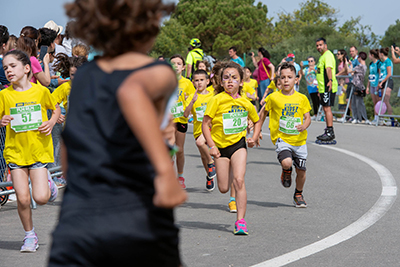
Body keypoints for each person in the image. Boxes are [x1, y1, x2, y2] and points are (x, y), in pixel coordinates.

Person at [48, 1, 187, 266]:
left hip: (78, 220)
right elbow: (130, 92)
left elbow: (69, 151)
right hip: (136, 214)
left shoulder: (84, 77)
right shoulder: (159, 71)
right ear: (150, 25)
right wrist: (165, 173)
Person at [0, 49, 60, 252]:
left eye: (13, 66)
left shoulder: (41, 91)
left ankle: (49, 185)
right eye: (5, 67)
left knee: (41, 198)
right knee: (23, 198)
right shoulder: (4, 95)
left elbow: (56, 108)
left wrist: (51, 122)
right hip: (15, 154)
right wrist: (2, 121)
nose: (8, 70)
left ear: (27, 68)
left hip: (38, 153)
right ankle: (29, 236)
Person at [202, 61, 260, 235]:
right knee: (223, 188)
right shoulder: (216, 100)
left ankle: (240, 221)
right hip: (220, 148)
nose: (230, 81)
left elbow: (256, 121)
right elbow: (206, 124)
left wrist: (254, 138)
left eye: (234, 78)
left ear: (241, 82)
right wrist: (211, 146)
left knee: (239, 180)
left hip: (239, 145)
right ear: (220, 82)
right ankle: (224, 171)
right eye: (226, 77)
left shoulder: (245, 102)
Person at [254, 62, 311, 207]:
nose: (286, 80)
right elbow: (262, 113)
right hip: (282, 138)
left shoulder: (302, 98)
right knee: (287, 162)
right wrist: (258, 130)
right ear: (278, 80)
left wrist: (304, 126)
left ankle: (298, 194)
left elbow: (308, 117)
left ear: (296, 79)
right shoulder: (273, 97)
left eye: (289, 77)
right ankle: (286, 170)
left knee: (301, 171)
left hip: (299, 140)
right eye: (283, 77)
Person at [183, 69, 216, 191]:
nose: (199, 83)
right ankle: (209, 175)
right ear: (193, 83)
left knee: (201, 144)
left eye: (202, 80)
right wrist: (192, 101)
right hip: (199, 130)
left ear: (207, 81)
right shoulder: (192, 97)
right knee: (203, 156)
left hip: (212, 129)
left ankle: (212, 163)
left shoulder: (213, 95)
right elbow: (186, 115)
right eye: (196, 80)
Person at [170, 54, 196, 189]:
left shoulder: (187, 83)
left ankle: (180, 176)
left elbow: (193, 100)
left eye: (179, 64)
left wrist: (190, 110)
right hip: (168, 120)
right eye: (173, 63)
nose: (176, 66)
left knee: (179, 150)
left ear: (184, 67)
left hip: (181, 119)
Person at [315, 38, 338, 143]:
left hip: (327, 86)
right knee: (325, 108)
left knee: (327, 108)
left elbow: (328, 68)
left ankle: (330, 131)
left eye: (320, 45)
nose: (319, 47)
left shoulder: (328, 55)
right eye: (317, 45)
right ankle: (328, 130)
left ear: (325, 45)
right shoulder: (322, 57)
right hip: (322, 88)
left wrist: (330, 80)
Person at [347, 52, 370, 124]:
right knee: (357, 102)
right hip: (359, 85)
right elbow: (352, 73)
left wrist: (347, 64)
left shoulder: (360, 66)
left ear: (360, 58)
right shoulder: (364, 66)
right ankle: (358, 117)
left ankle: (360, 118)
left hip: (357, 85)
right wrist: (351, 65)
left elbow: (349, 71)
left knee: (357, 103)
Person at [378, 47, 394, 126]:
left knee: (386, 100)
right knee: (383, 101)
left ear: (381, 54)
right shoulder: (382, 62)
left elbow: (389, 74)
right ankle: (382, 118)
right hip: (382, 82)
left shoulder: (388, 61)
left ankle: (392, 119)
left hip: (388, 81)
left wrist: (382, 82)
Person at [366, 49, 381, 124]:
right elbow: (370, 75)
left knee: (378, 102)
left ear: (372, 55)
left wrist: (379, 84)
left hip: (377, 85)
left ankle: (379, 117)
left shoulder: (379, 63)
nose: (368, 56)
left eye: (369, 55)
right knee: (374, 102)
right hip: (371, 84)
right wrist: (367, 86)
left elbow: (380, 73)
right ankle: (375, 118)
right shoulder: (371, 64)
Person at [336, 49, 351, 122]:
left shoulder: (345, 62)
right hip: (340, 82)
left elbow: (345, 70)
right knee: (340, 98)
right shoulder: (340, 63)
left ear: (342, 55)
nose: (337, 55)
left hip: (345, 82)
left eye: (338, 54)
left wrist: (339, 74)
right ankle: (342, 115)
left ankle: (347, 116)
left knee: (345, 98)